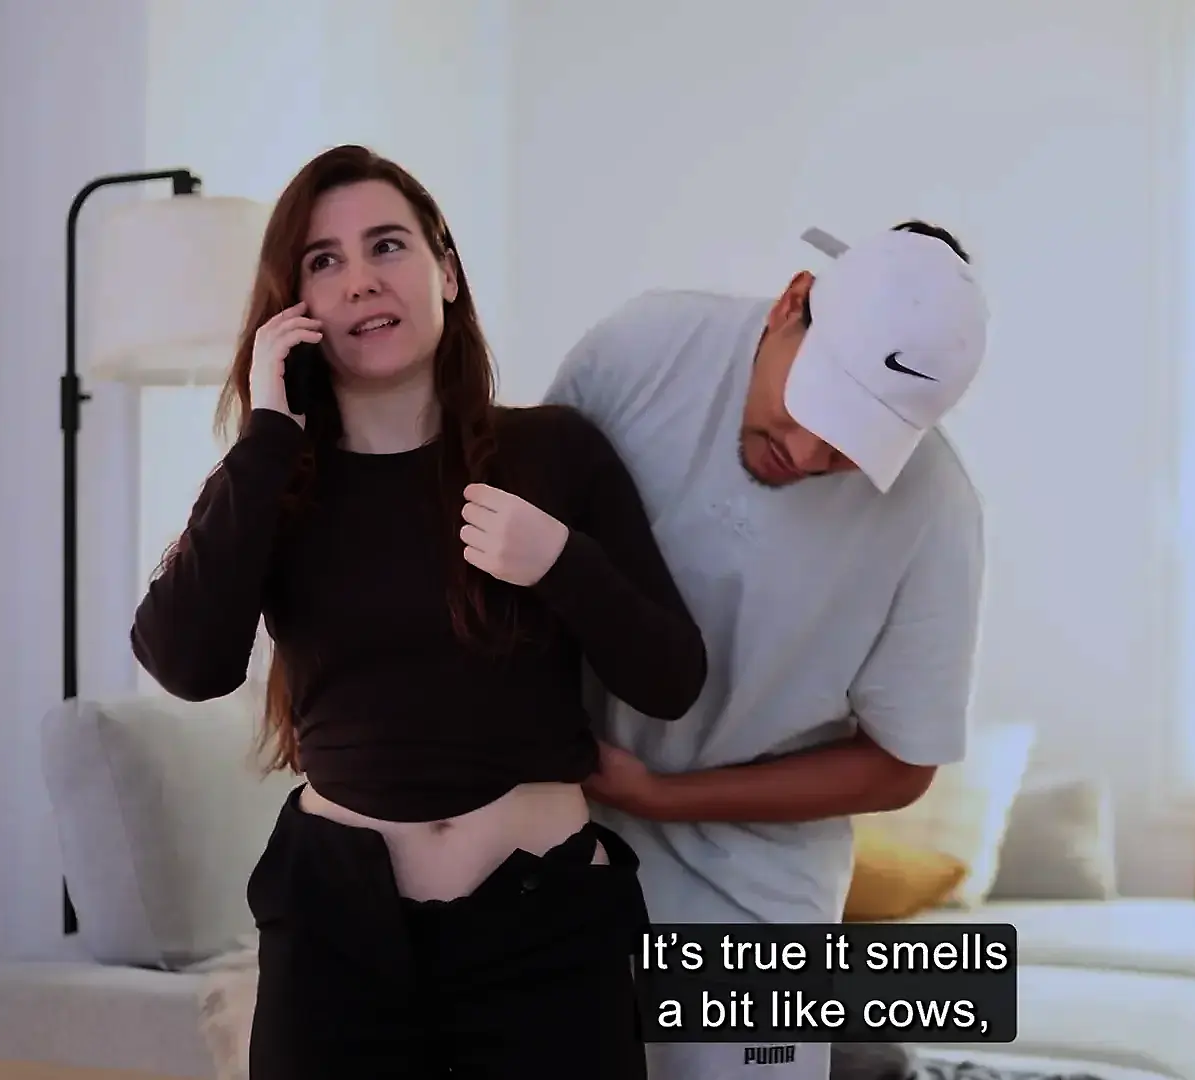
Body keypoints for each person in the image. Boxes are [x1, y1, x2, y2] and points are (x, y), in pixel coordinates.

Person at [130, 144, 708, 1079]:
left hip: (547, 931)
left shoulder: (554, 452)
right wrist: (267, 435)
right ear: (295, 308)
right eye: (323, 261)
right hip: (335, 935)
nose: (361, 279)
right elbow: (186, 665)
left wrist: (561, 561)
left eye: (387, 245)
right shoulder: (275, 487)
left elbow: (672, 680)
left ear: (445, 270)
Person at [544, 220, 989, 1080]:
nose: (809, 455)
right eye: (818, 406)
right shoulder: (644, 351)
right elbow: (523, 542)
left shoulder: (935, 513)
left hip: (753, 889)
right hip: (553, 840)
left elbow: (901, 766)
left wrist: (665, 797)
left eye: (854, 444)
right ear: (792, 302)